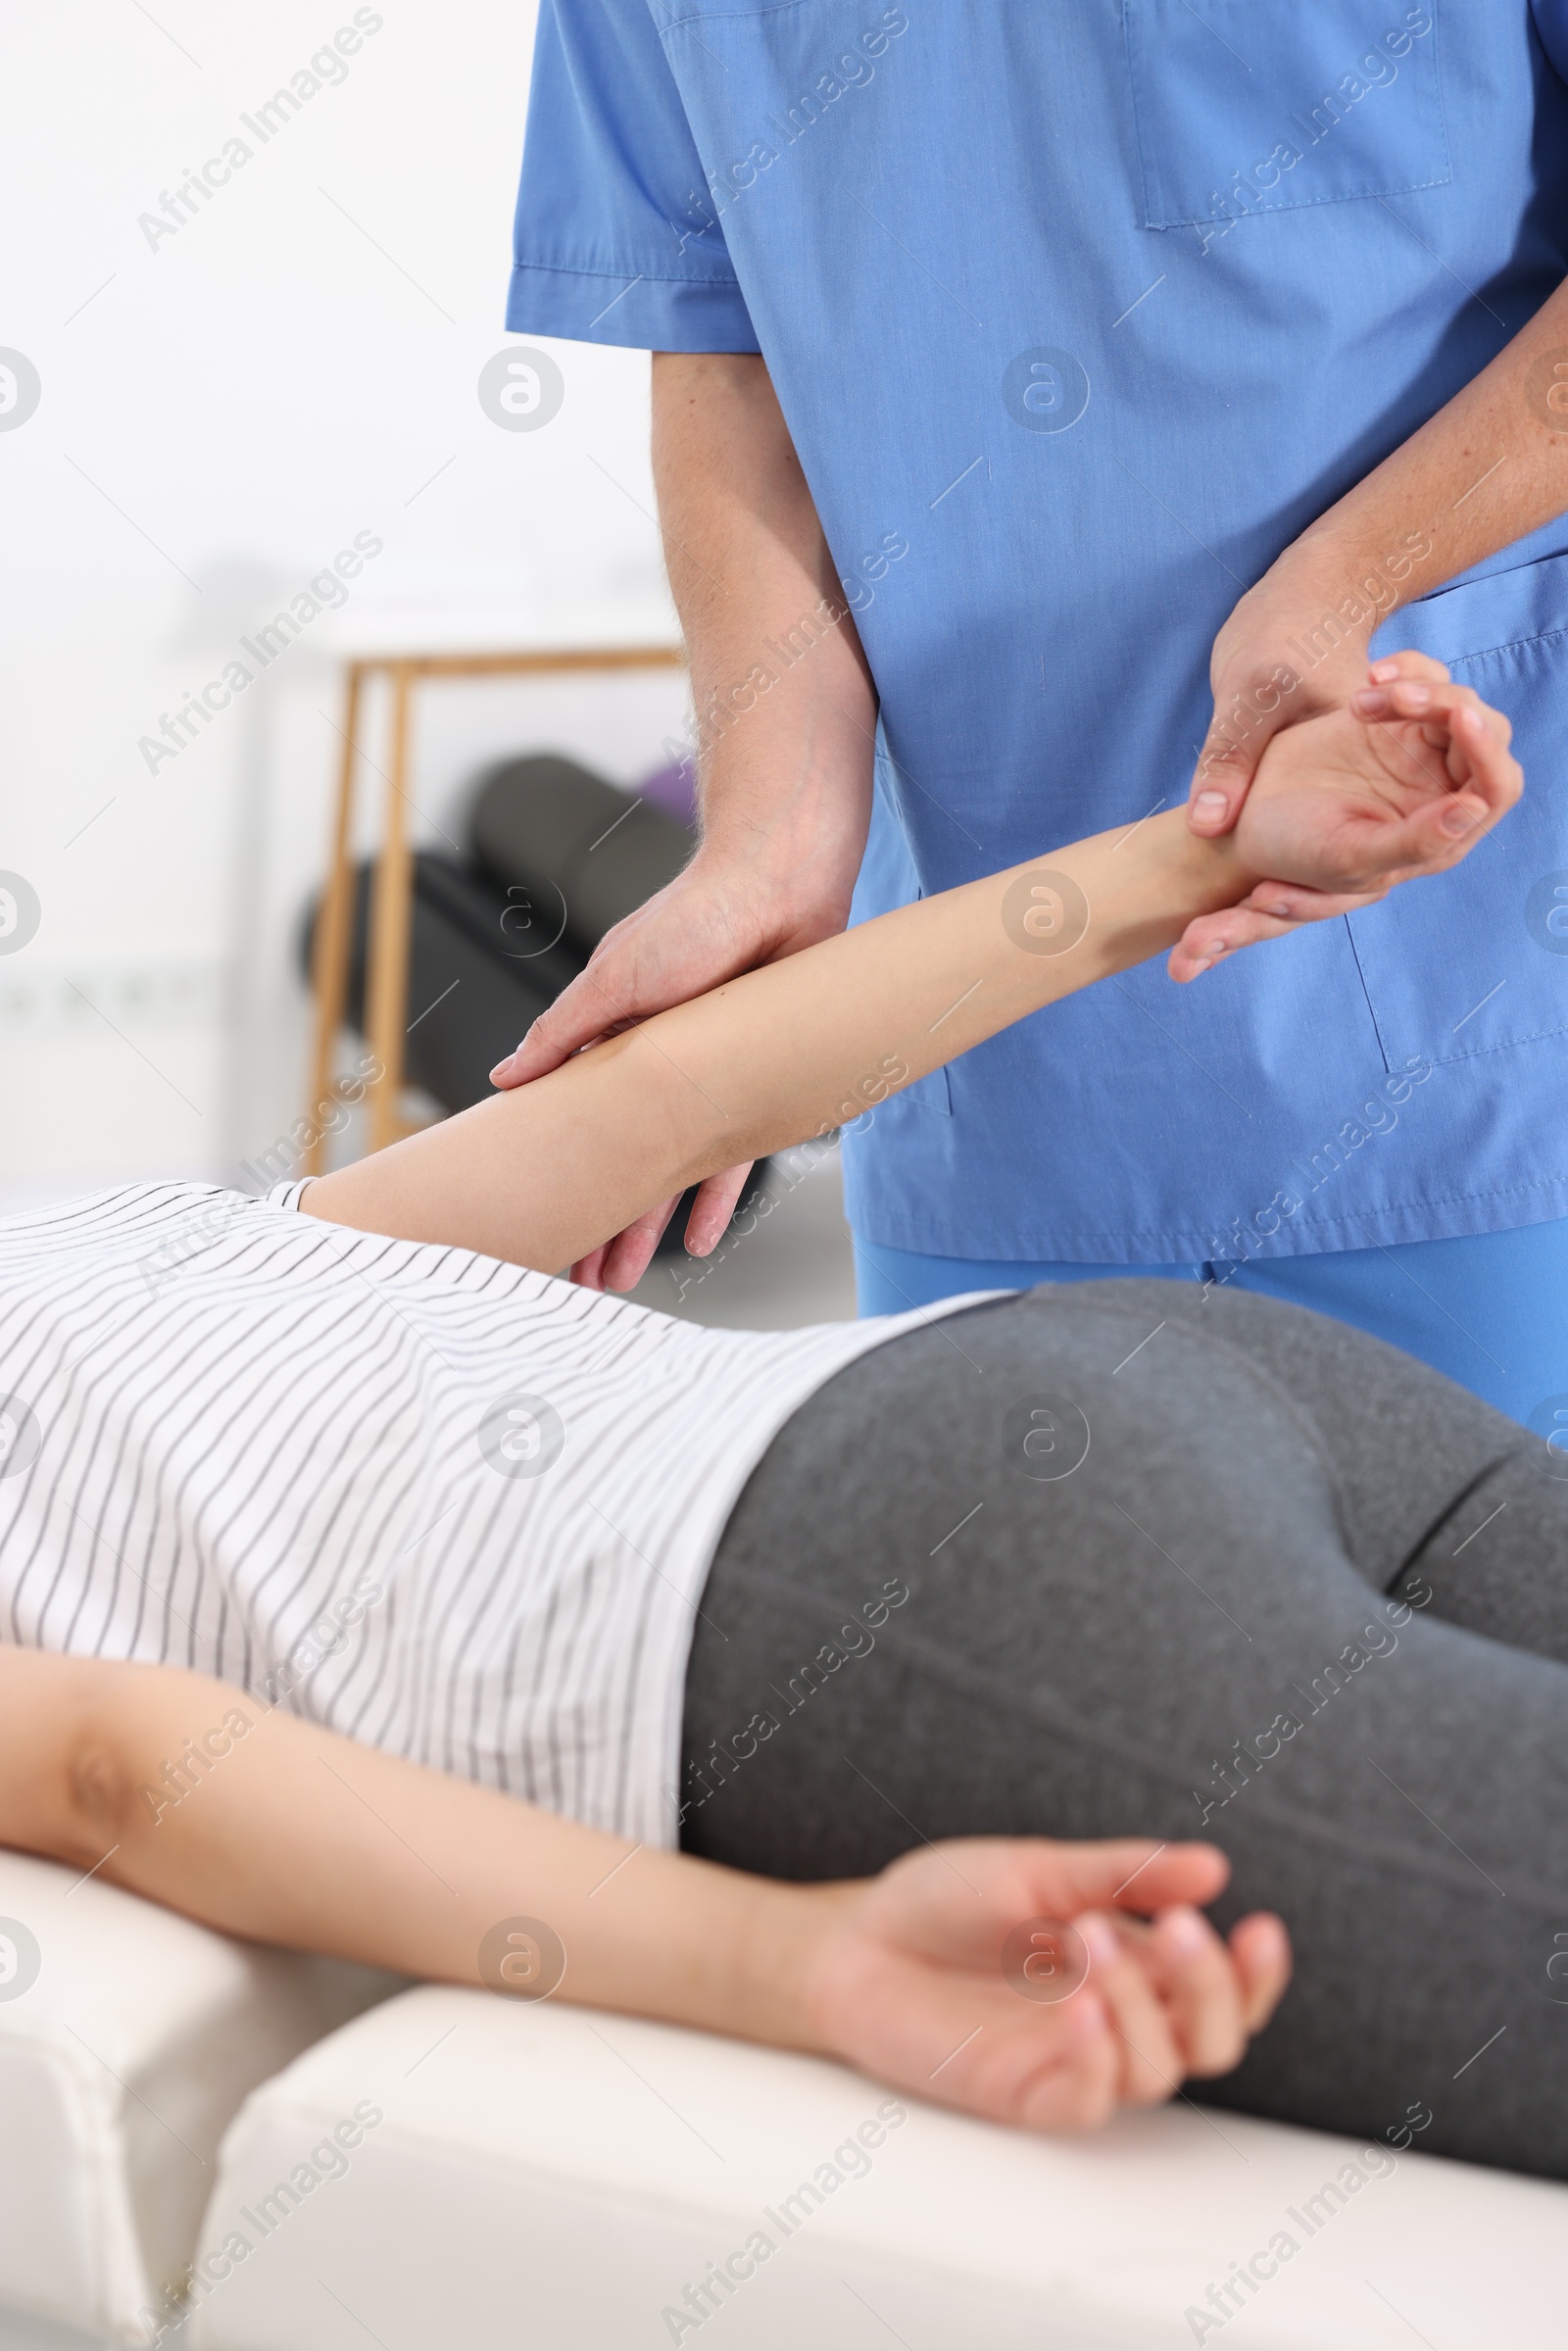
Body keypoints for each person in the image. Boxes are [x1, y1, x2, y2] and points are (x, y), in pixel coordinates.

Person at [6, 678, 1562, 2179]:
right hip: (1089, 1375)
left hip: (901, 1605)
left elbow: (116, 1766)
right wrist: (1208, 849)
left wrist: (808, 1960)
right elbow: (675, 1097)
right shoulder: (88, 1244)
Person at [493, 0, 1568, 1423]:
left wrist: (1343, 582)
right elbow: (728, 347)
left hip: (1471, 1013)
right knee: (1025, 1619)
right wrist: (772, 827)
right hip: (987, 1065)